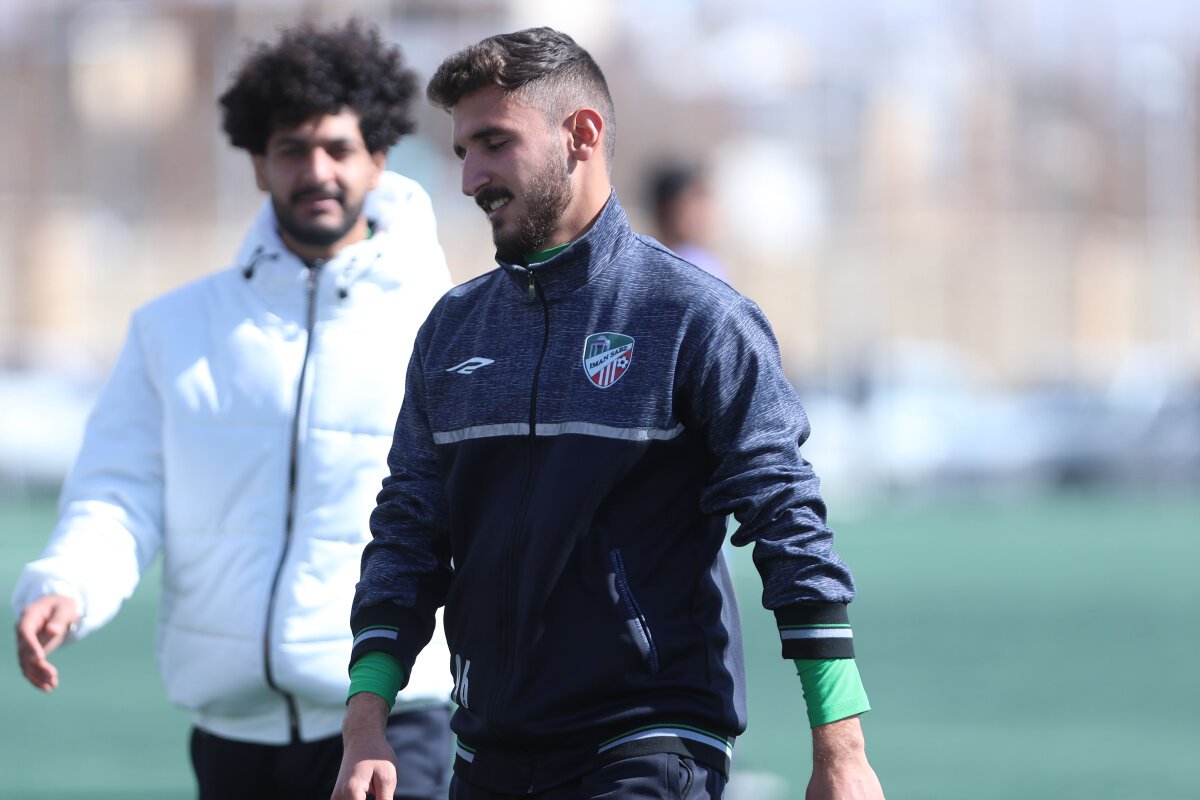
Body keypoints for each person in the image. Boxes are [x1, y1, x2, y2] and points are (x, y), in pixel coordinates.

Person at [334, 27, 885, 800]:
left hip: (647, 740)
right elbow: (406, 533)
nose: (471, 178)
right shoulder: (452, 331)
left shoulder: (698, 318)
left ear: (582, 135)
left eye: (494, 143)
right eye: (462, 151)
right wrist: (365, 722)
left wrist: (842, 750)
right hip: (488, 748)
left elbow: (788, 523)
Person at [12, 19, 454, 800]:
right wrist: (68, 584)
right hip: (231, 738)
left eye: (338, 148)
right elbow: (120, 492)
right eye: (291, 149)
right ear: (256, 162)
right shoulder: (173, 329)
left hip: (396, 721)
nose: (316, 171)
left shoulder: (447, 326)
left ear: (379, 158)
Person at [646, 162, 730, 282]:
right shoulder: (692, 264)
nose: (706, 213)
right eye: (695, 202)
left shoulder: (706, 262)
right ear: (666, 209)